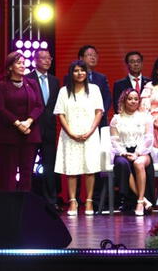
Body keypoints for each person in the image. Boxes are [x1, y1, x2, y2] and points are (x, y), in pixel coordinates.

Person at [54, 60, 104, 216]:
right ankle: (73, 201)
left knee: (89, 168)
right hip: (70, 135)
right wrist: (70, 133)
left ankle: (89, 201)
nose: (79, 73)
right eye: (76, 71)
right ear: (71, 73)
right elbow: (60, 114)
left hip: (90, 134)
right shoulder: (64, 91)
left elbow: (99, 112)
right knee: (72, 168)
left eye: (82, 70)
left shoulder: (94, 89)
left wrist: (90, 131)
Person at [0, 51, 44, 192]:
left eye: (24, 63)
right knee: (9, 174)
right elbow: (1, 108)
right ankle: (8, 208)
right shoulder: (2, 85)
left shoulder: (32, 83)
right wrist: (18, 124)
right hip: (9, 135)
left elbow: (39, 105)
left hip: (29, 134)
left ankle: (24, 208)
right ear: (10, 67)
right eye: (19, 63)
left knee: (26, 173)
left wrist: (28, 122)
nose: (23, 66)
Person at [110, 88, 155, 216]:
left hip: (142, 151)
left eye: (136, 99)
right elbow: (114, 141)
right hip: (123, 152)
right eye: (130, 99)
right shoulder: (116, 119)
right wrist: (123, 153)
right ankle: (143, 199)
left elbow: (148, 138)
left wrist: (137, 153)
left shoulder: (145, 118)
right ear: (124, 100)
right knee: (122, 164)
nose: (133, 101)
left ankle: (140, 201)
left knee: (138, 163)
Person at [26, 49, 61, 209]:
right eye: (43, 58)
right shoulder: (27, 79)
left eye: (49, 58)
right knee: (29, 164)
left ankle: (51, 201)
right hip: (32, 128)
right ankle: (29, 199)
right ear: (35, 60)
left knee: (50, 165)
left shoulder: (55, 81)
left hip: (50, 129)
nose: (47, 61)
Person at [72, 45, 112, 128]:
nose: (93, 58)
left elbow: (107, 98)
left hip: (100, 121)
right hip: (79, 120)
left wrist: (99, 113)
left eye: (95, 55)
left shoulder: (101, 78)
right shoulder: (72, 77)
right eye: (90, 55)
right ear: (81, 58)